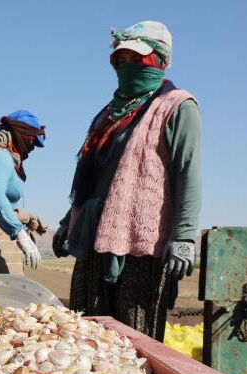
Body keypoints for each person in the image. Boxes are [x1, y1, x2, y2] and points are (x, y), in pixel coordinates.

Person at [52, 21, 202, 340]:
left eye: (138, 59)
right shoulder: (109, 113)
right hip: (93, 234)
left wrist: (185, 237)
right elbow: (92, 175)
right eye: (122, 59)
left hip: (139, 245)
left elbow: (187, 172)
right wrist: (69, 222)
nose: (128, 66)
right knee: (86, 329)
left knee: (135, 336)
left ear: (160, 61)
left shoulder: (177, 107)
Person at [0, 110, 47, 275]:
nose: (32, 147)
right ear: (22, 135)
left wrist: (25, 216)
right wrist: (19, 233)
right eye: (33, 141)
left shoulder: (4, 157)